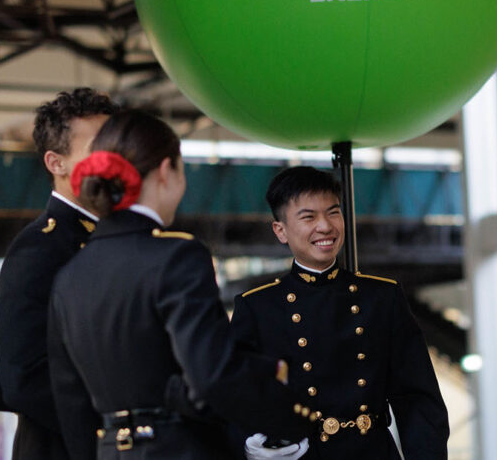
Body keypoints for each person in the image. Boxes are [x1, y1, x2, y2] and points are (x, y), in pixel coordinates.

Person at [48, 111, 313, 459]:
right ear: (165, 172)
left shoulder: (70, 275)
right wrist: (291, 419)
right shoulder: (177, 256)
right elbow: (211, 376)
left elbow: (70, 403)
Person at [230, 167, 450, 459]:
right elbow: (234, 397)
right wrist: (249, 446)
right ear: (280, 231)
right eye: (308, 217)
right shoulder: (258, 307)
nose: (325, 226)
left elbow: (418, 399)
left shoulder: (382, 297)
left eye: (333, 212)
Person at [0, 88, 118, 460]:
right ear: (57, 163)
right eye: (98, 150)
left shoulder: (126, 238)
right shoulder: (40, 250)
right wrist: (116, 433)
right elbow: (23, 376)